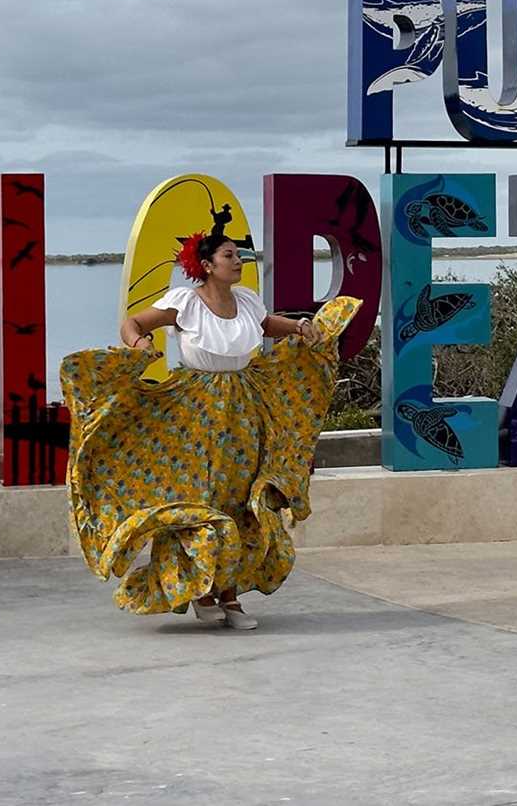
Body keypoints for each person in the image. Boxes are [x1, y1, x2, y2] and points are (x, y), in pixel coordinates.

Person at [60, 231, 360, 628]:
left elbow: (268, 325)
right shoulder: (185, 302)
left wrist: (302, 328)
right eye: (229, 255)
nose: (237, 262)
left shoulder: (248, 302)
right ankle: (202, 590)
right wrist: (138, 346)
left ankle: (231, 597)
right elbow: (133, 322)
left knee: (239, 499)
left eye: (238, 255)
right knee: (205, 499)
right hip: (196, 408)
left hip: (244, 407)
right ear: (206, 266)